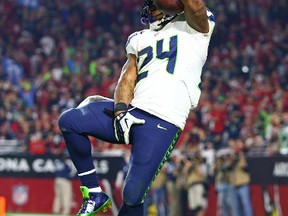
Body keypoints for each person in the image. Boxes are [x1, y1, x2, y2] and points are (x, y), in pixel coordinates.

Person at [58, 0, 215, 215]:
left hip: (164, 119)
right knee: (70, 121)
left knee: (132, 195)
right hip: (133, 112)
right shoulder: (139, 38)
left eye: (153, 6)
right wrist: (121, 110)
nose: (150, 11)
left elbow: (195, 5)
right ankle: (94, 193)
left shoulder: (196, 28)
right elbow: (127, 76)